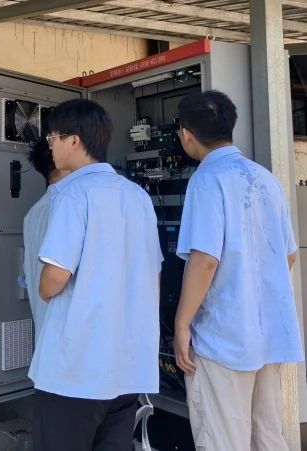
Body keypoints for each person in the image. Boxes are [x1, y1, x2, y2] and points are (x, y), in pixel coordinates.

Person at [173, 90, 303, 450]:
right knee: (268, 435)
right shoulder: (266, 179)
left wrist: (182, 325)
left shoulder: (206, 179)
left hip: (223, 337)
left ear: (186, 134)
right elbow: (289, 256)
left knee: (223, 439)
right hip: (269, 334)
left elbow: (205, 260)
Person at [30, 99, 162, 450]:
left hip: (75, 369)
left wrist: (42, 288)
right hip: (127, 366)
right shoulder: (137, 196)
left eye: (53, 138)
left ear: (74, 141)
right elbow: (154, 273)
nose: (50, 146)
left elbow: (55, 276)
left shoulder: (73, 193)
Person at [21, 137, 69, 341]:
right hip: (70, 337)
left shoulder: (33, 214)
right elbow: (57, 275)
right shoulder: (70, 206)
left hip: (45, 332)